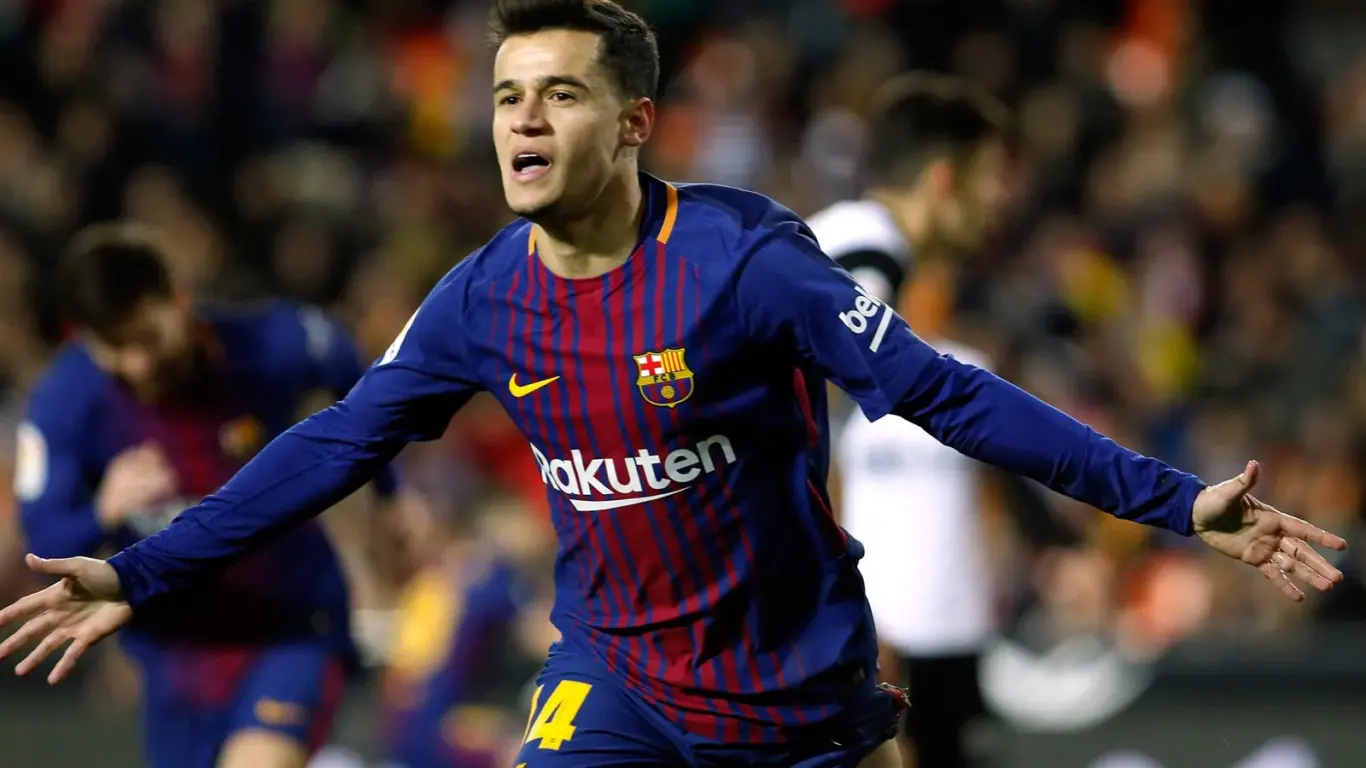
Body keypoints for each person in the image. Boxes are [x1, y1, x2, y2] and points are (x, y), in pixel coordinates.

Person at [0, 2, 1347, 767]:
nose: (522, 120)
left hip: (797, 691)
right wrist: (141, 571)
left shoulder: (743, 262)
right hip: (617, 680)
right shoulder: (479, 298)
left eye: (559, 95)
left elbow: (945, 395)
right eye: (506, 95)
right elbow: (337, 444)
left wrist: (1175, 503)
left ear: (634, 123)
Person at [10, 223, 399, 768]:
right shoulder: (64, 402)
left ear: (177, 300)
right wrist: (102, 511)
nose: (138, 363)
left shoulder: (265, 344)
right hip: (177, 656)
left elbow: (354, 366)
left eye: (146, 337)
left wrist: (389, 493)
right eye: (115, 348)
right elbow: (45, 540)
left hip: (291, 623)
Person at [808, 74, 1008, 768]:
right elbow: (789, 444)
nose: (1000, 197)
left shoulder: (839, 239)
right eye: (992, 176)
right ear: (945, 179)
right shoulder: (866, 258)